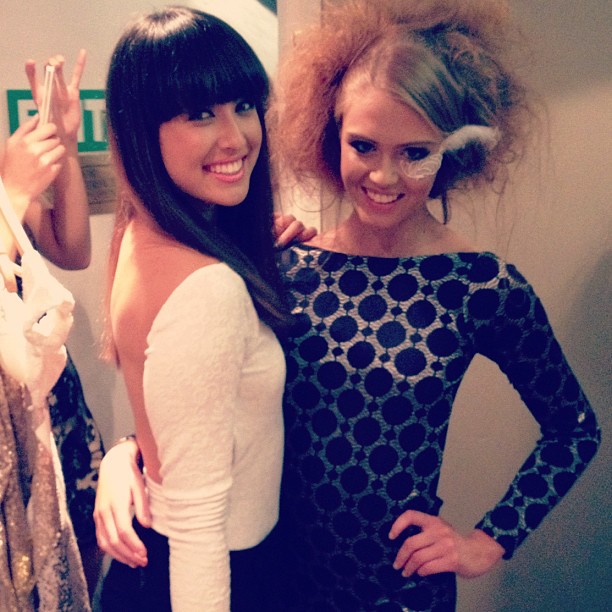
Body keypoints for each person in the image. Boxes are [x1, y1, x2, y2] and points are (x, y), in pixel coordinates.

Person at [94, 1, 601, 610]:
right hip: (274, 582)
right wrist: (130, 454)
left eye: (415, 152)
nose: (384, 176)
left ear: (452, 151)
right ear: (330, 136)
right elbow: (212, 403)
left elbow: (574, 429)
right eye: (364, 145)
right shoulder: (284, 263)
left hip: (393, 591)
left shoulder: (479, 286)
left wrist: (486, 542)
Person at [94, 6, 291, 611]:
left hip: (169, 559)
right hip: (209, 576)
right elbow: (197, 530)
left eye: (243, 105)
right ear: (141, 129)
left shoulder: (139, 230)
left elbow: (172, 411)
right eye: (200, 113)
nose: (236, 137)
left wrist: (126, 452)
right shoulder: (208, 288)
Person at [0, 50, 105, 599]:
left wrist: (65, 148)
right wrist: (12, 194)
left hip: (51, 400)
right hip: (9, 428)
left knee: (80, 541)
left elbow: (72, 249)